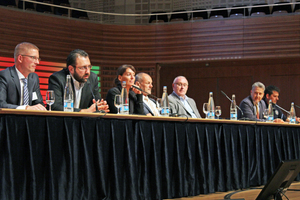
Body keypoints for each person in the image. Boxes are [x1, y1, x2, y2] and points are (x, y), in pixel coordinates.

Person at [0, 42, 46, 110]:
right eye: (33, 57)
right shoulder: (4, 76)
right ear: (20, 58)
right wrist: (25, 108)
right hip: (9, 119)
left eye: (38, 59)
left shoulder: (33, 78)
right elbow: (1, 104)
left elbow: (38, 103)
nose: (37, 62)